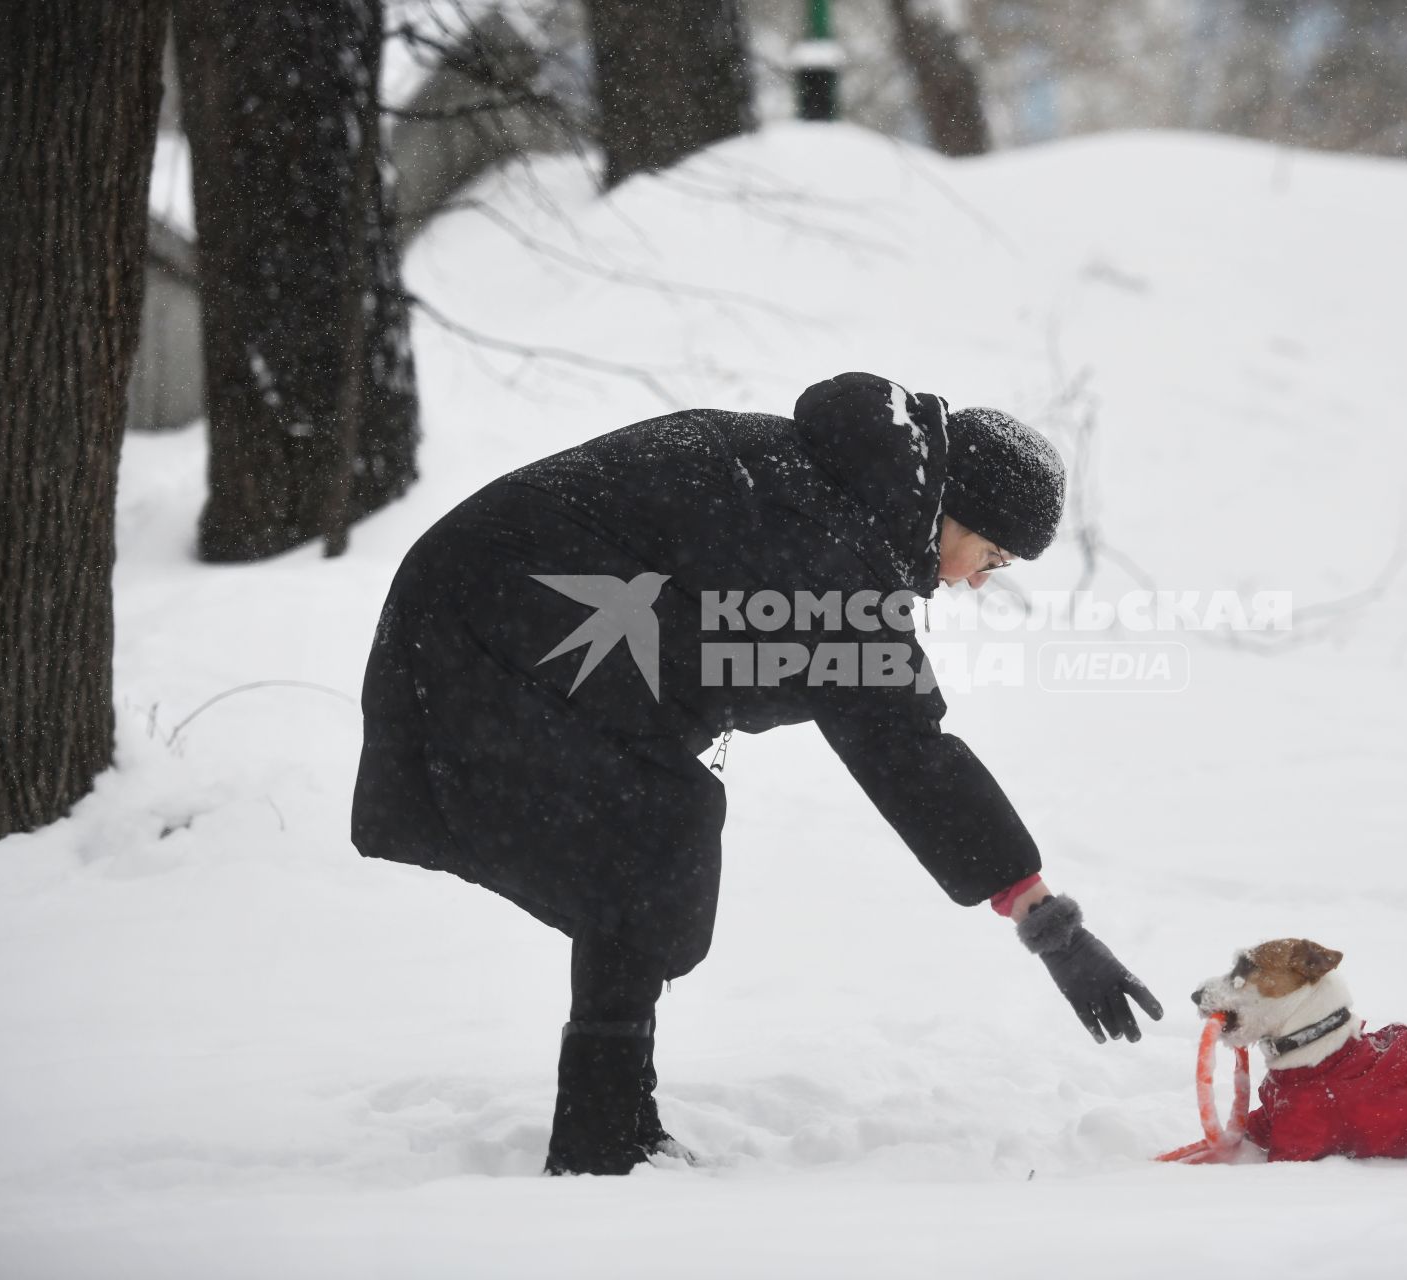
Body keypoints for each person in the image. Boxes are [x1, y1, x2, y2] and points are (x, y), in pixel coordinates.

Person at [352, 371, 1163, 1176]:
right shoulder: (834, 540)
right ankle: (602, 1138)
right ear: (952, 512)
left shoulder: (843, 485)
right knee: (651, 836)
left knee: (652, 837)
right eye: (989, 555)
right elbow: (905, 748)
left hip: (499, 602)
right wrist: (1048, 924)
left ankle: (614, 1124)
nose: (979, 579)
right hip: (488, 613)